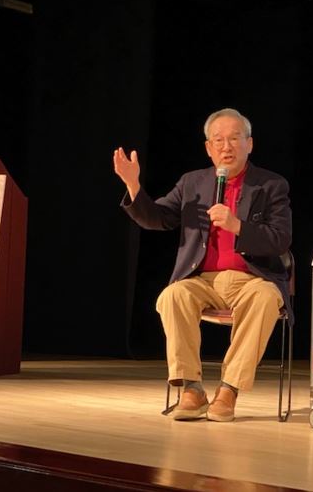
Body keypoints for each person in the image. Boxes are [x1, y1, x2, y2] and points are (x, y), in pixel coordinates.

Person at [113, 107, 292, 422]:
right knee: (172, 295)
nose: (227, 147)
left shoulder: (271, 185)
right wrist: (133, 187)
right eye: (218, 140)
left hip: (251, 279)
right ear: (208, 148)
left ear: (249, 144)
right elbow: (158, 219)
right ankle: (192, 388)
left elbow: (280, 240)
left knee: (265, 297)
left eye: (235, 138)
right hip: (203, 280)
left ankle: (228, 390)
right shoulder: (192, 182)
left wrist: (238, 226)